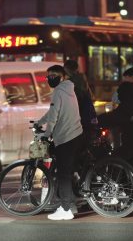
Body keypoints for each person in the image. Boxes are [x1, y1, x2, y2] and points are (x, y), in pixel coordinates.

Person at [37, 64, 85, 221]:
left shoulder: (58, 91)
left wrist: (47, 133)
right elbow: (53, 111)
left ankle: (65, 209)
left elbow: (54, 115)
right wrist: (40, 121)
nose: (51, 78)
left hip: (65, 137)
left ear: (62, 76)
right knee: (67, 172)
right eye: (48, 76)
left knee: (63, 174)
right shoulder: (69, 89)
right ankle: (70, 205)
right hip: (76, 134)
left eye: (54, 75)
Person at [97, 81, 133, 162]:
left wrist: (96, 120)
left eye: (119, 92)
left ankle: (114, 174)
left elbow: (113, 117)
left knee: (112, 159)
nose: (118, 95)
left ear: (124, 92)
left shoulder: (129, 104)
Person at [63, 59, 97, 141]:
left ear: (66, 70)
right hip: (88, 117)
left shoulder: (68, 83)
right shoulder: (83, 79)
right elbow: (91, 96)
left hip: (76, 120)